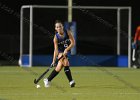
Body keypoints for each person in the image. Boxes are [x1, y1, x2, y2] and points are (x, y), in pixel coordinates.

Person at [43, 20, 76, 87]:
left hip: (67, 52)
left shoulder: (68, 32)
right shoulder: (56, 38)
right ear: (55, 28)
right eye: (57, 27)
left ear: (62, 27)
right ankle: (71, 81)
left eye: (60, 26)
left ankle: (47, 79)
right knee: (66, 62)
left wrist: (67, 49)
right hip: (60, 53)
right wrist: (53, 61)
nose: (59, 28)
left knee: (59, 68)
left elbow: (73, 43)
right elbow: (56, 50)